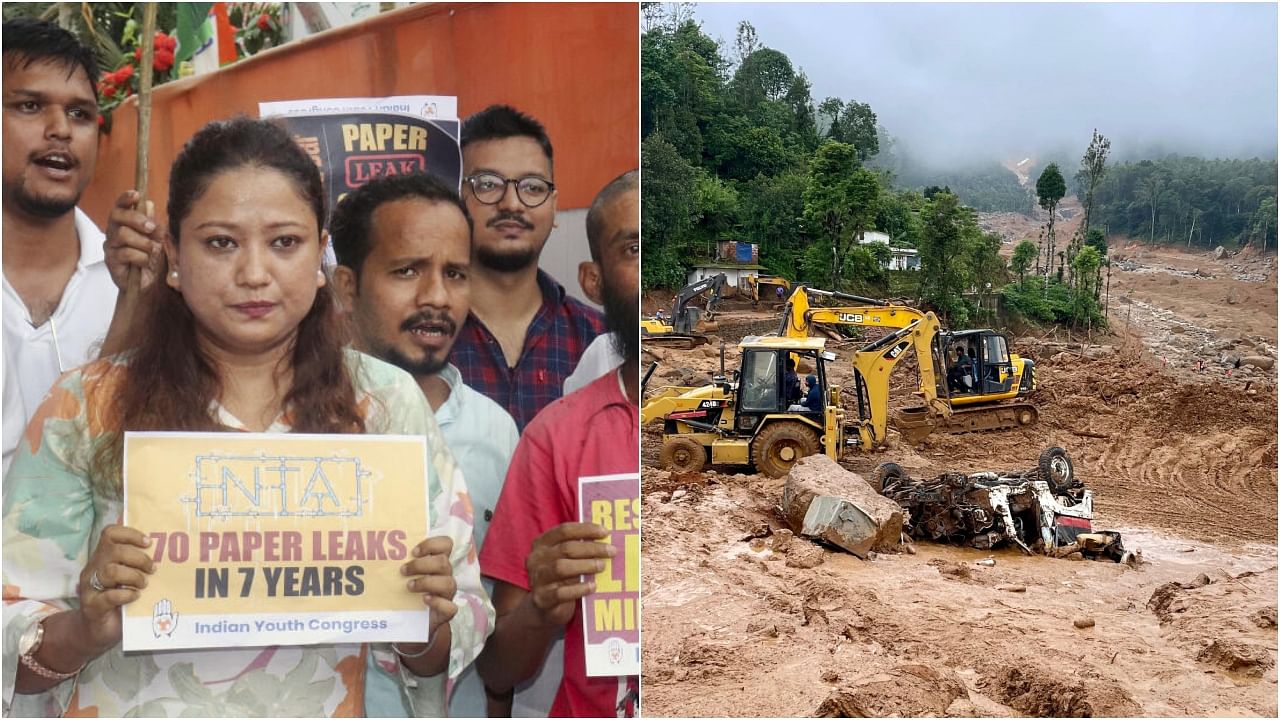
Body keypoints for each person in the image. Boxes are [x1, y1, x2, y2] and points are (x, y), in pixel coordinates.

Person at [1, 117, 490, 717]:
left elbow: (459, 618)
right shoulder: (84, 405)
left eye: (284, 242)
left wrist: (422, 617)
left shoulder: (382, 403)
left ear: (319, 256)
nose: (254, 273)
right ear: (174, 258)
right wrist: (89, 625)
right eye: (221, 243)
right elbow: (12, 628)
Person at [328, 173, 519, 718]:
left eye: (455, 274)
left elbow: (489, 618)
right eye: (407, 270)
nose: (436, 297)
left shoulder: (496, 431)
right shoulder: (288, 425)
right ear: (346, 285)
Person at [476, 170, 639, 717]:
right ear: (594, 280)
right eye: (635, 248)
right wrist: (543, 607)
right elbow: (498, 668)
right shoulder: (556, 438)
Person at [1, 18, 162, 475]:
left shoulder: (140, 278)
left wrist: (136, 302)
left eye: (80, 114)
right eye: (30, 106)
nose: (60, 130)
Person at [449, 105, 605, 431]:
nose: (512, 203)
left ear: (554, 205)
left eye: (533, 187)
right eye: (488, 184)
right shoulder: (424, 335)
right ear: (456, 197)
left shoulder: (599, 341)